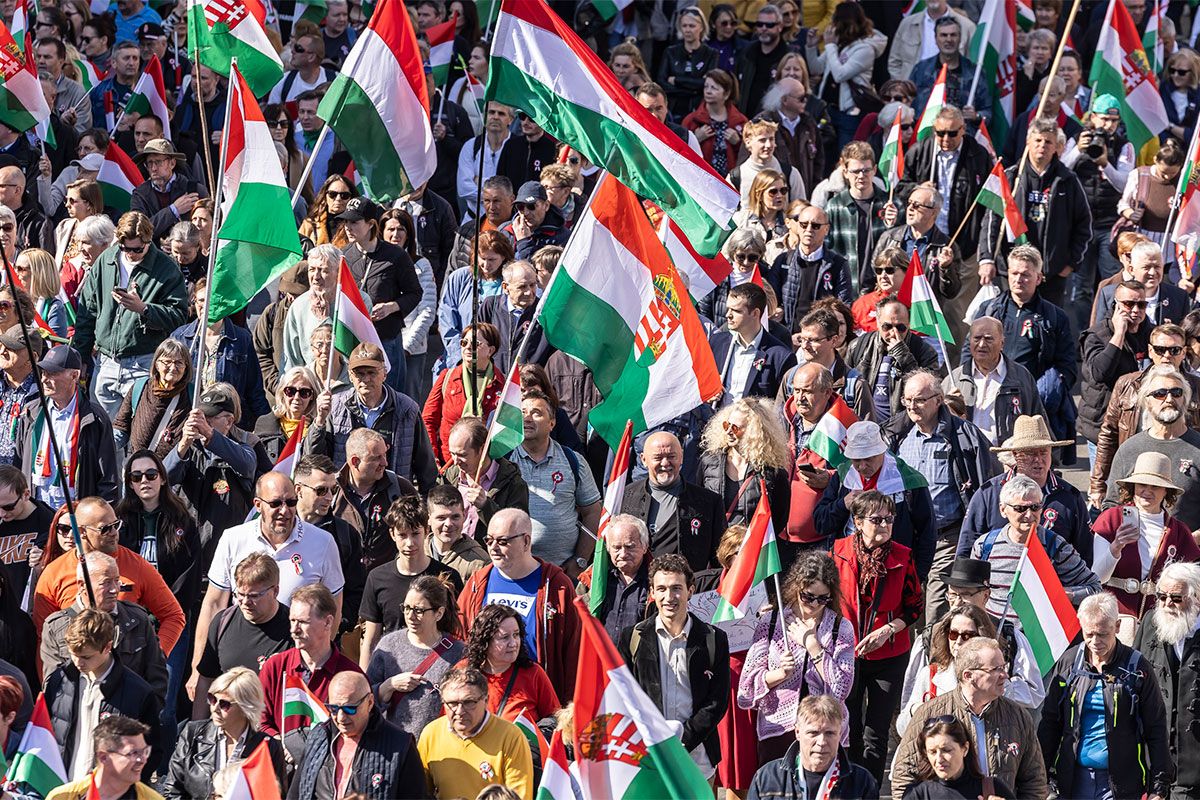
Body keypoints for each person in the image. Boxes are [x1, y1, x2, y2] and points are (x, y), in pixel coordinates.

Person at [191, 473, 344, 690]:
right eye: (275, 504)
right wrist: (198, 667)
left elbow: (334, 607)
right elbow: (214, 604)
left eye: (291, 502)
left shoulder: (322, 542)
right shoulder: (233, 539)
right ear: (258, 505)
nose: (285, 510)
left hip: (296, 661)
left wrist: (318, 657)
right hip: (239, 653)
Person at [884, 370, 1000, 619]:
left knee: (936, 604)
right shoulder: (898, 436)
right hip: (907, 537)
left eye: (919, 400)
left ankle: (934, 654)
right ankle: (917, 654)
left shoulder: (963, 435)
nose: (912, 406)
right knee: (908, 600)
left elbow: (986, 482)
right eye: (907, 400)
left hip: (946, 537)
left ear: (938, 400)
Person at [1039, 592, 1171, 800]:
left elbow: (1156, 726)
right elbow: (1050, 722)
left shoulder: (1137, 666)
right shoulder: (1070, 662)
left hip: (1121, 784)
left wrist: (1159, 786)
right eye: (1088, 634)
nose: (1094, 642)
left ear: (1117, 627)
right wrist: (1040, 777)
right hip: (1073, 780)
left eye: (1102, 634)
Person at [830, 490, 922, 783]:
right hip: (848, 653)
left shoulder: (902, 556)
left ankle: (869, 787)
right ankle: (851, 785)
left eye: (889, 519)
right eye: (876, 519)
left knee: (876, 731)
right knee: (851, 726)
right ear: (857, 522)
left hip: (889, 655)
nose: (884, 525)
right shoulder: (837, 552)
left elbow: (914, 607)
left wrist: (887, 630)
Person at [891, 637, 1047, 799]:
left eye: (1003, 667)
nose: (1004, 675)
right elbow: (904, 775)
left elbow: (1034, 781)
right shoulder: (930, 714)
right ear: (968, 675)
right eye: (995, 669)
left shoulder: (1018, 716)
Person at [619, 553, 729, 779]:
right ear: (651, 592)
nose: (669, 597)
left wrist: (683, 740)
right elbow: (625, 696)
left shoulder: (713, 638)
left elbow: (717, 701)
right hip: (649, 759)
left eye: (676, 588)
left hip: (698, 761)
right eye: (661, 589)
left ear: (691, 590)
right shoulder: (633, 637)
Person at [31, 496, 184, 657]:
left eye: (116, 525)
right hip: (75, 672)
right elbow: (44, 637)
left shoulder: (136, 565)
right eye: (105, 529)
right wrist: (52, 680)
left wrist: (156, 658)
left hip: (126, 672)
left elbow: (173, 615)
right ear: (81, 532)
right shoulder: (53, 573)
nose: (114, 533)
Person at [72, 211, 189, 419]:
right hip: (106, 361)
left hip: (142, 363)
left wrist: (144, 309)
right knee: (103, 435)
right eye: (125, 248)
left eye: (137, 249)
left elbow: (179, 315)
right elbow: (87, 312)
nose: (130, 254)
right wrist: (80, 356)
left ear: (148, 240)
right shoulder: (106, 260)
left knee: (137, 437)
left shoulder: (167, 268)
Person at [738, 551, 854, 761]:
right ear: (797, 587)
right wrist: (779, 674)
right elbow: (746, 688)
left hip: (825, 730)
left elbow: (841, 689)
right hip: (779, 730)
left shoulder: (841, 628)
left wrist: (813, 646)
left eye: (823, 598)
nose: (815, 604)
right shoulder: (772, 622)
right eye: (808, 596)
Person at [457, 509, 581, 701]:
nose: (493, 548)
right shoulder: (477, 583)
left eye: (503, 541)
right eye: (489, 540)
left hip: (537, 698)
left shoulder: (557, 585)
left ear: (526, 541)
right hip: (486, 698)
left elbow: (574, 651)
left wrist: (569, 707)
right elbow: (460, 638)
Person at [977, 118, 1091, 308]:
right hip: (1013, 271)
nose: (1042, 146)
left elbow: (1083, 224)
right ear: (1028, 142)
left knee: (1047, 328)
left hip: (1051, 274)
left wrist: (1070, 263)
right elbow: (991, 221)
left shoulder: (1067, 180)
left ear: (1058, 147)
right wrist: (987, 258)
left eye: (1048, 142)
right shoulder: (1011, 177)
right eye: (1037, 140)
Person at [44, 609, 162, 780]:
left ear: (107, 647)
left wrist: (121, 785)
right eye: (73, 654)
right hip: (62, 788)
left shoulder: (138, 693)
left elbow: (152, 751)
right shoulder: (59, 681)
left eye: (86, 656)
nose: (78, 663)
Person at [1090, 323, 1200, 505]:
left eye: (1174, 350)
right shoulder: (1127, 384)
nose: (1166, 356)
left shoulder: (1196, 387)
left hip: (1183, 469)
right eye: (1160, 349)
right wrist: (1098, 485)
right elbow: (1109, 434)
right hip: (1136, 472)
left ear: (1183, 352)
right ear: (1150, 351)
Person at [958, 415, 1092, 561]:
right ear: (1015, 455)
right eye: (1030, 453)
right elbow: (966, 549)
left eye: (1043, 452)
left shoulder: (1069, 497)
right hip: (997, 580)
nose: (1038, 460)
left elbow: (1085, 553)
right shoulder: (989, 493)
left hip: (1052, 581)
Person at [1093, 450, 1200, 634]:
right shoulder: (1110, 519)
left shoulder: (1179, 531)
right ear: (1133, 487)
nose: (1147, 491)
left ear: (1166, 491)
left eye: (1155, 486)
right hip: (1114, 619)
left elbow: (1194, 582)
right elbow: (1097, 578)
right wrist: (1115, 548)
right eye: (1142, 484)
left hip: (1159, 623)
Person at [970, 474, 1100, 621]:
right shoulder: (985, 546)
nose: (1029, 514)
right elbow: (971, 591)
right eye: (1020, 508)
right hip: (994, 637)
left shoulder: (1056, 547)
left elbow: (1094, 588)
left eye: (1035, 507)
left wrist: (1064, 595)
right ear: (1003, 510)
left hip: (1037, 639)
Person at [815, 421, 937, 579]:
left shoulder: (909, 480)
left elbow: (927, 532)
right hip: (848, 568)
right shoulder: (843, 476)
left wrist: (917, 575)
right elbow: (820, 523)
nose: (862, 466)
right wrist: (842, 504)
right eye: (856, 460)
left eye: (868, 458)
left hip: (894, 569)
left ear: (881, 452)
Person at [311, 342, 438, 492]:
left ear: (384, 373)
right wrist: (319, 422)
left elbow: (426, 468)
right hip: (347, 500)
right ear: (351, 376)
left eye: (372, 373)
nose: (366, 379)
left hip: (394, 501)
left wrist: (425, 508)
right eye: (359, 373)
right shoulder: (335, 407)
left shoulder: (407, 409)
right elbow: (315, 460)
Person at [40, 550, 168, 698]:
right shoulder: (56, 627)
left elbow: (157, 676)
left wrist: (147, 712)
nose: (115, 589)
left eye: (117, 580)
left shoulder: (137, 619)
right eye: (106, 582)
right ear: (82, 585)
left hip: (130, 716)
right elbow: (54, 687)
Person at [259, 584, 364, 760]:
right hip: (281, 773)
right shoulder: (276, 667)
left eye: (303, 622)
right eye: (292, 621)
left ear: (328, 622)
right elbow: (258, 719)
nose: (294, 630)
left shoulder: (351, 675)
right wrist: (282, 746)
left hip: (328, 774)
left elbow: (360, 731)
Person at [288, 671, 427, 800]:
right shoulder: (319, 736)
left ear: (370, 702)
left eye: (350, 708)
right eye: (334, 709)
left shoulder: (400, 744)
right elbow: (296, 794)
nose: (341, 717)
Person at [359, 496, 462, 661]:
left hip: (438, 665)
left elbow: (459, 633)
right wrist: (366, 682)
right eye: (402, 535)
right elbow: (371, 640)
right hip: (393, 668)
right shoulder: (377, 578)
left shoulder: (448, 576)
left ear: (426, 531)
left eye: (415, 534)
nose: (410, 543)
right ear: (392, 534)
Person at [511, 388, 601, 576]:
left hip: (563, 572)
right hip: (515, 569)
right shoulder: (504, 460)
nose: (527, 418)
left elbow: (592, 512)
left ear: (552, 423)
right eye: (523, 412)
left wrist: (580, 560)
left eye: (536, 413)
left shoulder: (573, 461)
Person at [17, 343, 120, 508]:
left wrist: (101, 520)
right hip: (36, 511)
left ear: (74, 375)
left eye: (53, 373)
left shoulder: (95, 418)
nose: (44, 378)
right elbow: (19, 462)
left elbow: (108, 478)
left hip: (76, 514)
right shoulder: (31, 412)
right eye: (43, 372)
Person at [190, 551, 291, 716]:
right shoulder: (222, 622)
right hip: (227, 726)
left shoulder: (293, 628)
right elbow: (206, 680)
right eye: (240, 594)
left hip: (272, 729)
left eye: (253, 596)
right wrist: (197, 728)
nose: (244, 602)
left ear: (275, 591)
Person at [339, 196, 422, 392]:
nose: (347, 227)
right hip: (354, 340)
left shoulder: (395, 256)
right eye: (346, 222)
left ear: (370, 224)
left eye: (354, 222)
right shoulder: (344, 255)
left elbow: (415, 292)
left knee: (389, 393)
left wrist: (392, 307)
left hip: (386, 339)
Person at [163, 667, 284, 800]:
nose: (215, 708)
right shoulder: (192, 734)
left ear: (246, 707)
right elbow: (172, 791)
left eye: (224, 704)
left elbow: (276, 796)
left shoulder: (267, 746)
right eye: (212, 699)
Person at [366, 574, 464, 738]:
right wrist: (389, 685)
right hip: (394, 748)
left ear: (438, 613)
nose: (410, 616)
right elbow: (365, 699)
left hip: (439, 748)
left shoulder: (458, 653)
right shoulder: (388, 645)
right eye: (407, 608)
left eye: (418, 610)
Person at [1105, 366, 1200, 531]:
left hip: (1190, 553)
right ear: (1146, 403)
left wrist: (1186, 541)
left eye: (1176, 392)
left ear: (1184, 400)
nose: (1169, 399)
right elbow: (1112, 505)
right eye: (1160, 394)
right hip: (1137, 552)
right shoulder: (1129, 449)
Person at [1134, 562, 1200, 799]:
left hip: (1194, 767)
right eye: (1161, 596)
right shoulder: (1152, 621)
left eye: (1175, 598)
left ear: (1197, 598)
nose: (1167, 604)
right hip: (1154, 762)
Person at [417, 667, 533, 800]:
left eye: (469, 702)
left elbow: (518, 796)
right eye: (452, 704)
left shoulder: (511, 736)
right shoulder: (431, 733)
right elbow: (420, 791)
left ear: (486, 700)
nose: (460, 711)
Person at [170, 278, 270, 426]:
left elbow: (254, 391)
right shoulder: (180, 338)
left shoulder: (241, 339)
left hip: (227, 424)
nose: (205, 306)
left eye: (211, 301)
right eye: (201, 300)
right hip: (188, 422)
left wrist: (267, 424)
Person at [622, 430, 723, 573]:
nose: (665, 463)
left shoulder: (709, 502)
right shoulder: (626, 496)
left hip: (689, 590)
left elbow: (719, 559)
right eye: (658, 457)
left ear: (681, 457)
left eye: (671, 456)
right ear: (643, 459)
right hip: (639, 590)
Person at [745, 695, 879, 800]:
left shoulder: (862, 782)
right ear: (797, 732)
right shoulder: (767, 778)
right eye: (813, 733)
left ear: (840, 734)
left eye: (830, 733)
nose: (821, 742)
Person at [942, 316, 1046, 447]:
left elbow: (1038, 421)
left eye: (988, 339)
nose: (981, 344)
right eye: (977, 338)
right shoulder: (954, 379)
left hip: (1007, 458)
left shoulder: (1020, 377)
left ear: (1002, 343)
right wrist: (950, 408)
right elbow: (938, 426)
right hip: (967, 457)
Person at [896, 605, 999, 735]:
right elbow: (902, 730)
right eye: (953, 634)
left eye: (967, 635)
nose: (958, 641)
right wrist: (915, 711)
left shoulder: (997, 677)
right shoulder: (930, 674)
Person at [697, 397, 791, 532]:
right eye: (726, 425)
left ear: (753, 432)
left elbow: (779, 519)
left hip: (753, 547)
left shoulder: (772, 472)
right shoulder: (709, 461)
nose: (728, 431)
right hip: (715, 546)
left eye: (735, 427)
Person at [331, 427, 417, 572]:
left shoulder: (400, 488)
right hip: (344, 585)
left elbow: (419, 531)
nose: (385, 462)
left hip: (387, 584)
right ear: (355, 461)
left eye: (385, 455)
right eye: (377, 458)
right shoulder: (331, 491)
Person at [462, 603, 560, 726]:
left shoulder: (533, 673)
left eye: (516, 635)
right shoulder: (463, 672)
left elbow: (555, 719)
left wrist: (534, 736)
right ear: (485, 641)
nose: (513, 643)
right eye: (504, 637)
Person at [846, 297, 941, 423]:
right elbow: (844, 386)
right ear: (878, 323)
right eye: (887, 326)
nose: (894, 332)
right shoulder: (858, 346)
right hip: (865, 425)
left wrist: (903, 355)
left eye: (900, 327)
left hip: (903, 426)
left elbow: (928, 393)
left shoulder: (924, 351)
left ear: (909, 325)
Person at [871, 182, 962, 304]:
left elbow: (951, 292)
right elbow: (873, 275)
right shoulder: (889, 237)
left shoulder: (945, 246)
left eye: (917, 205)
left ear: (934, 212)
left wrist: (946, 268)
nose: (910, 208)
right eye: (909, 203)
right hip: (892, 311)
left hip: (924, 314)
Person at [441, 417, 529, 543]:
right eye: (452, 454)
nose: (455, 461)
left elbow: (517, 531)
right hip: (453, 558)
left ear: (482, 450)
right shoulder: (449, 478)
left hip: (489, 559)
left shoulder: (513, 483)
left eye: (462, 455)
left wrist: (485, 506)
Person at [825, 142, 899, 292]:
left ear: (875, 170)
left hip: (881, 288)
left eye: (866, 170)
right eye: (855, 171)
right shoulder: (834, 206)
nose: (861, 176)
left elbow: (901, 252)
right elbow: (827, 251)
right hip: (846, 286)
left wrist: (892, 227)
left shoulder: (891, 204)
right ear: (845, 172)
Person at [710, 283, 796, 406]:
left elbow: (783, 406)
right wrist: (708, 393)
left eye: (736, 311)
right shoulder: (716, 343)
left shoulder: (780, 357)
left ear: (755, 313)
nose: (728, 315)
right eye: (728, 308)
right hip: (717, 421)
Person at [111, 337, 193, 458]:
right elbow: (121, 427)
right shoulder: (140, 388)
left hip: (174, 472)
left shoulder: (192, 395)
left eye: (179, 363)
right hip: (137, 469)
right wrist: (104, 446)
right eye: (167, 362)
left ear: (186, 367)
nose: (173, 367)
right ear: (156, 364)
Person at [46, 715, 162, 800]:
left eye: (145, 752)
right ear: (103, 757)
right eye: (133, 753)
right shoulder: (62, 797)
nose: (142, 760)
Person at [576, 513, 651, 643]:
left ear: (644, 546)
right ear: (608, 549)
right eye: (616, 547)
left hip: (639, 661)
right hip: (599, 658)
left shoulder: (657, 582)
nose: (623, 554)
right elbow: (576, 620)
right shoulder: (592, 579)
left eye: (630, 546)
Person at [901, 716, 1015, 799]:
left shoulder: (992, 789)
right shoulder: (918, 794)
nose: (939, 759)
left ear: (965, 749)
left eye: (946, 750)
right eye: (932, 752)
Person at [909, 19, 989, 128]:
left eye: (953, 35)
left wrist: (977, 116)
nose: (949, 39)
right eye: (943, 35)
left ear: (960, 38)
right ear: (935, 39)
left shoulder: (975, 72)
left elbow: (988, 112)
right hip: (927, 134)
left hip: (963, 136)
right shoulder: (921, 70)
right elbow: (909, 106)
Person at [129, 139, 208, 241]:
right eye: (149, 163)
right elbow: (138, 231)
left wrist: (178, 243)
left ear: (172, 163)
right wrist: (173, 210)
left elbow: (207, 228)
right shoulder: (140, 194)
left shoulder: (195, 190)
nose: (153, 168)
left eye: (158, 162)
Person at [1118, 138, 1186, 253]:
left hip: (1173, 243)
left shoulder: (1183, 180)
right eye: (1163, 172)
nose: (1167, 177)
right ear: (1155, 160)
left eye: (1173, 173)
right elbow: (1123, 204)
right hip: (1144, 238)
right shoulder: (1140, 175)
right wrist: (1131, 214)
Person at [887, 0, 975, 80]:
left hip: (949, 92)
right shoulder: (907, 24)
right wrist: (902, 86)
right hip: (912, 92)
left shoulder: (967, 27)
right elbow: (894, 61)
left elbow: (972, 66)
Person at [683, 69, 747, 176]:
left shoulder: (741, 121)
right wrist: (695, 139)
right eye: (706, 86)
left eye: (714, 88)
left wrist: (738, 143)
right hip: (701, 178)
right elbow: (679, 151)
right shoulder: (692, 120)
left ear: (726, 94)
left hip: (730, 181)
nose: (708, 91)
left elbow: (749, 153)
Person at [254, 366, 323, 464]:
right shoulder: (264, 423)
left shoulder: (318, 428)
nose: (297, 397)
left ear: (312, 396)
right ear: (282, 392)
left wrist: (318, 426)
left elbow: (316, 462)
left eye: (304, 392)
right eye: (290, 391)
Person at [424, 484, 488, 583]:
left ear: (464, 516)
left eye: (455, 517)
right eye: (441, 518)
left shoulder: (480, 563)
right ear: (429, 518)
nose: (448, 524)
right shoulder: (417, 552)